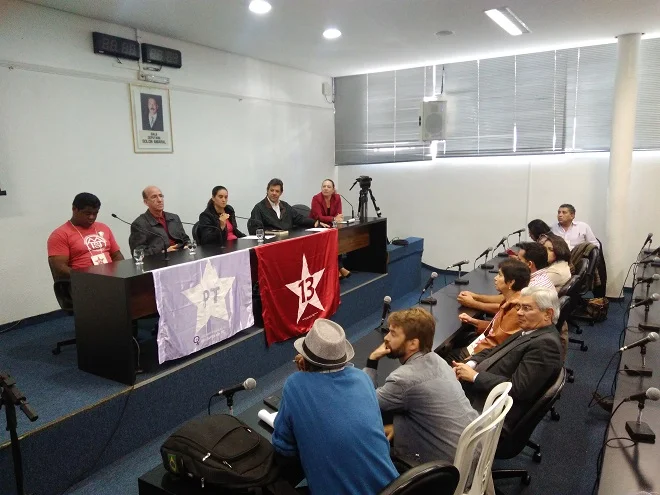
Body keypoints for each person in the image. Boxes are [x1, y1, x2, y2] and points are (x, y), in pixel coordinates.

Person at [272, 319, 398, 495]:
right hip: (395, 489)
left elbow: (283, 447)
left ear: (305, 359)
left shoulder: (295, 384)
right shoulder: (362, 379)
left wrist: (304, 377)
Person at [364, 308, 478, 464]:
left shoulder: (403, 379)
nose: (386, 338)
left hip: (446, 471)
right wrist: (399, 427)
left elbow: (365, 403)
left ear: (413, 344)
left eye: (393, 333)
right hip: (474, 454)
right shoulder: (438, 360)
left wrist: (372, 360)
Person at [453, 286, 563, 432]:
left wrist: (475, 377)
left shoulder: (546, 345)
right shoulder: (530, 330)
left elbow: (518, 389)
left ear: (547, 314)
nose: (519, 313)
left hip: (487, 409)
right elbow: (493, 351)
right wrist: (469, 364)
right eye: (519, 307)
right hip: (477, 390)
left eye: (526, 308)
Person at [450, 259, 530, 361]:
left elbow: (497, 341)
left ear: (511, 282)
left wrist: (471, 357)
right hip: (484, 347)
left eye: (500, 275)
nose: (495, 278)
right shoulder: (510, 299)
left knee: (450, 356)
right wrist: (473, 321)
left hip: (484, 356)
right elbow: (495, 328)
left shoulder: (516, 309)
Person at [457, 241, 553, 314]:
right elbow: (505, 299)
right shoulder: (541, 276)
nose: (515, 261)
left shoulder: (532, 287)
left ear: (529, 264)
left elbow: (506, 309)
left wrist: (473, 304)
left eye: (519, 259)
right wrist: (475, 296)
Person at [48, 193, 124, 280]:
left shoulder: (103, 227)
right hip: (84, 282)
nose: (92, 217)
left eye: (95, 213)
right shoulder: (60, 234)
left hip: (112, 279)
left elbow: (117, 255)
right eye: (87, 213)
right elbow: (60, 268)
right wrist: (85, 277)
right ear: (74, 209)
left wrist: (121, 274)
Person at [248, 178, 327, 234]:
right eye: (272, 190)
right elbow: (255, 230)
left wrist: (315, 222)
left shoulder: (285, 206)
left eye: (277, 191)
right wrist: (272, 232)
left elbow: (299, 218)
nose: (274, 193)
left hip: (288, 240)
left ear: (281, 193)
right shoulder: (259, 208)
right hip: (270, 244)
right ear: (267, 190)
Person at [129, 186, 190, 256]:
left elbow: (185, 238)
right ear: (146, 202)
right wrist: (163, 251)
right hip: (159, 261)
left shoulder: (174, 218)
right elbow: (138, 252)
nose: (159, 200)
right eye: (154, 197)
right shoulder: (139, 224)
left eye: (161, 196)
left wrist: (187, 245)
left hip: (181, 256)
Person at [310, 179, 351, 279]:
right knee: (330, 239)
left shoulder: (337, 198)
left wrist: (335, 219)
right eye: (324, 186)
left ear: (333, 190)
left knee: (338, 237)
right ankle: (339, 267)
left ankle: (338, 267)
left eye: (328, 187)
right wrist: (333, 219)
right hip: (317, 226)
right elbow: (318, 216)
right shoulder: (316, 198)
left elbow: (339, 215)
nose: (326, 188)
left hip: (331, 225)